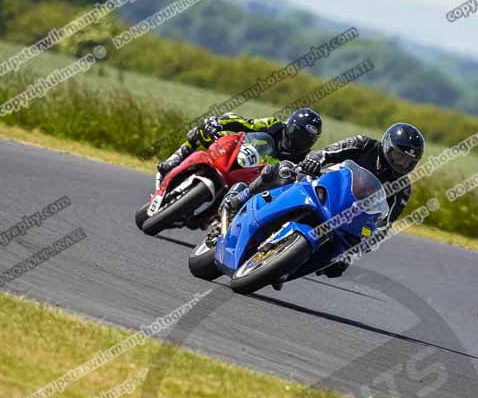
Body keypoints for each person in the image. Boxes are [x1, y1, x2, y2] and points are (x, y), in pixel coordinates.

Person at [215, 123, 425, 279]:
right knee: (282, 170)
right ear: (387, 146)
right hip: (322, 185)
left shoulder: (402, 189)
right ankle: (241, 196)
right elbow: (329, 152)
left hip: (348, 218)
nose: (401, 163)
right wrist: (317, 159)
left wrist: (364, 245)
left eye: (407, 161)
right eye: (398, 156)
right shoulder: (364, 144)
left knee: (340, 259)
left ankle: (286, 268)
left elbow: (385, 224)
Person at [155, 108, 323, 181]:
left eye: (307, 139)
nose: (301, 142)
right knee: (203, 131)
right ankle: (175, 159)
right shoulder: (274, 125)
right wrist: (219, 122)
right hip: (242, 155)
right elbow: (246, 123)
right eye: (299, 135)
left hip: (253, 181)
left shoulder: (304, 158)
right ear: (291, 127)